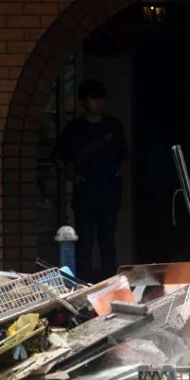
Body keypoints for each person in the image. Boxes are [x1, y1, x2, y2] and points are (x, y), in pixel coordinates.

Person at [53, 79, 128, 281]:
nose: (98, 103)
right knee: (84, 241)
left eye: (100, 98)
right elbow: (59, 157)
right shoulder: (75, 128)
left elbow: (124, 155)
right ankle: (83, 282)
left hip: (109, 192)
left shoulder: (113, 125)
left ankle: (111, 282)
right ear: (83, 102)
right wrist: (72, 175)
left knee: (107, 241)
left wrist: (117, 174)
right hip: (85, 193)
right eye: (93, 99)